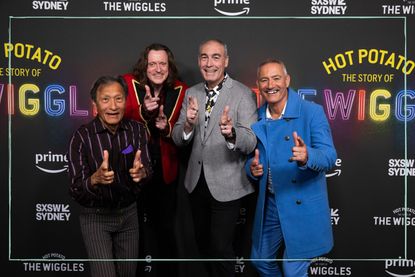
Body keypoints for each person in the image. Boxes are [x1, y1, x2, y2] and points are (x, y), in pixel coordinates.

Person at [172, 39, 258, 277]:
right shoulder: (192, 92)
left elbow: (251, 141)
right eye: (204, 57)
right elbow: (178, 137)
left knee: (221, 249)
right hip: (196, 184)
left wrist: (232, 133)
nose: (209, 63)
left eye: (216, 57)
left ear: (226, 61)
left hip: (228, 185)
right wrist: (188, 124)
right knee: (202, 244)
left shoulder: (242, 94)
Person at [245, 59, 337, 277]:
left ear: (287, 80)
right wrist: (252, 168)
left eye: (276, 78)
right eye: (264, 80)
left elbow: (329, 156)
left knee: (293, 270)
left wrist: (307, 156)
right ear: (258, 84)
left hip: (301, 202)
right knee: (260, 261)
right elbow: (251, 158)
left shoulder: (311, 112)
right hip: (270, 204)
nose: (270, 85)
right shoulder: (256, 116)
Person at [68, 75, 152, 277]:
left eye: (119, 99)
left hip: (129, 216)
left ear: (126, 101)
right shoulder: (82, 137)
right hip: (96, 218)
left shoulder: (137, 131)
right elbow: (75, 188)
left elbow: (148, 168)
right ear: (95, 105)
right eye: (105, 99)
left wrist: (143, 173)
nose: (113, 106)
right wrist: (94, 179)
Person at [122, 43, 188, 276]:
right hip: (133, 168)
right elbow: (119, 116)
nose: (158, 69)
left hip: (165, 169)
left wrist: (166, 126)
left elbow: (182, 130)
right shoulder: (128, 83)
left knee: (165, 230)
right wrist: (144, 110)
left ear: (169, 66)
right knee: (133, 232)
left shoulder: (181, 89)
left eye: (163, 64)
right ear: (145, 65)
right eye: (152, 64)